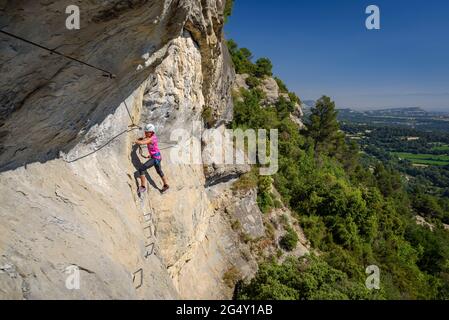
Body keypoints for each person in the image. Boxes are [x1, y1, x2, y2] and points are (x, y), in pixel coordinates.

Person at [135, 124, 169, 194]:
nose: (145, 133)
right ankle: (166, 185)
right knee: (159, 171)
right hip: (157, 157)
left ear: (151, 132)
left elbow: (142, 142)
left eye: (146, 132)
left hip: (155, 158)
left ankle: (143, 187)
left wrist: (135, 140)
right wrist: (151, 155)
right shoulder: (152, 137)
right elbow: (145, 139)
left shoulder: (151, 139)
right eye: (145, 132)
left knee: (141, 169)